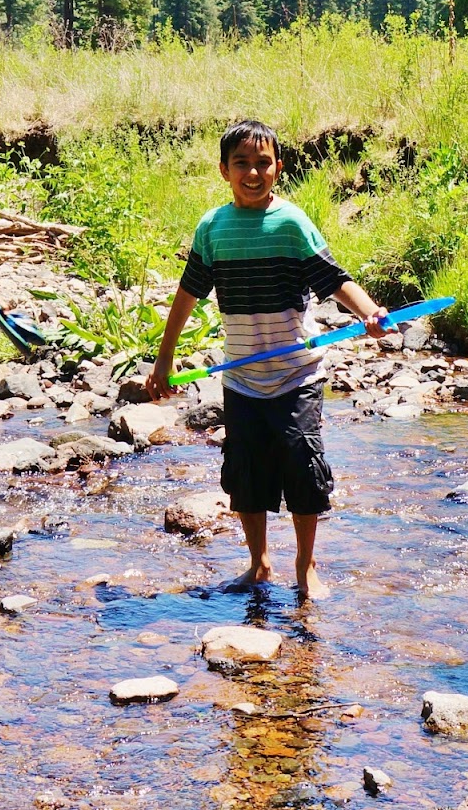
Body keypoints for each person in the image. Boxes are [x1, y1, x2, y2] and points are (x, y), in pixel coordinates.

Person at [140, 120, 386, 600]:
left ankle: (306, 563)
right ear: (223, 170)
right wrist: (163, 357)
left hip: (297, 375)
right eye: (241, 164)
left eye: (263, 163)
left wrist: (371, 312)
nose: (253, 173)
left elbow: (334, 279)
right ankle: (258, 564)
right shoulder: (213, 228)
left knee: (303, 466)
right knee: (246, 474)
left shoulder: (292, 223)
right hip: (243, 378)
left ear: (279, 167)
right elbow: (188, 293)